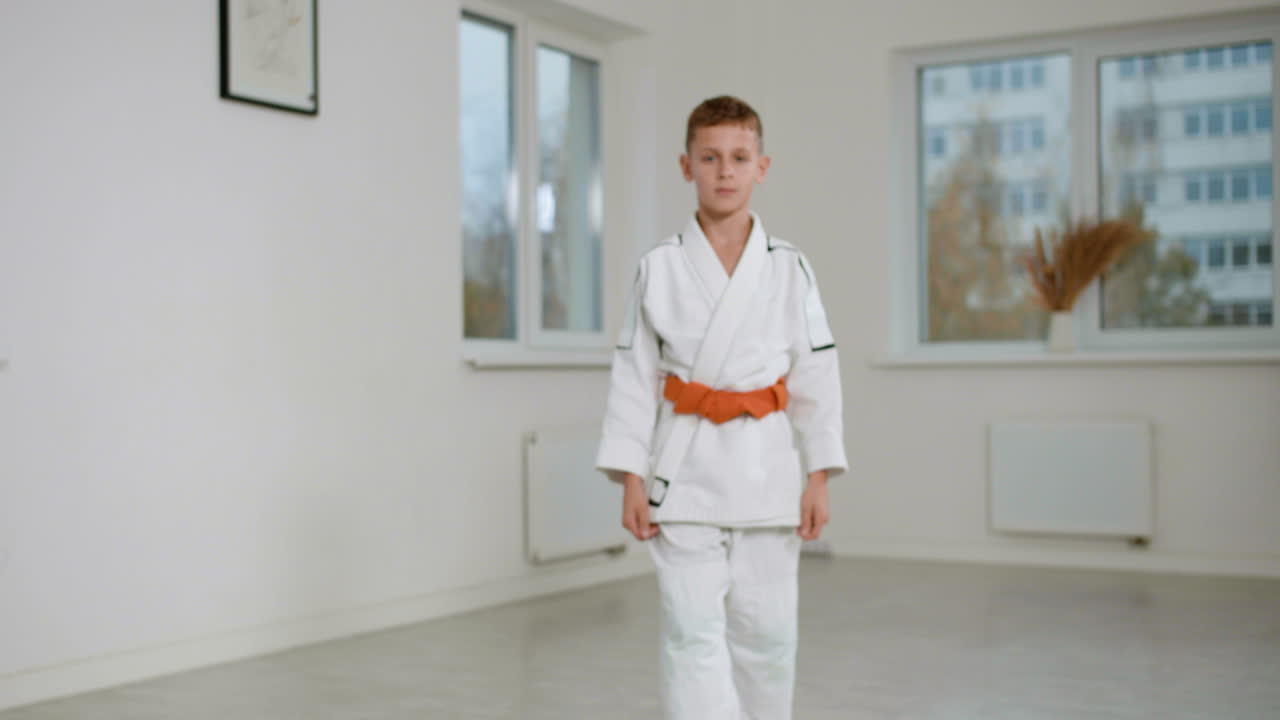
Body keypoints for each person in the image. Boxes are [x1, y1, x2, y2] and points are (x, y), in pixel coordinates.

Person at [595, 95, 847, 719]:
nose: (725, 171)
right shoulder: (658, 268)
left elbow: (817, 372)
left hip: (768, 477)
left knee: (768, 639)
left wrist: (819, 474)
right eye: (710, 158)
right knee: (689, 636)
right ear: (687, 166)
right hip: (683, 475)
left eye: (739, 157)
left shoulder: (790, 268)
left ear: (763, 166)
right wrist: (630, 474)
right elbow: (633, 376)